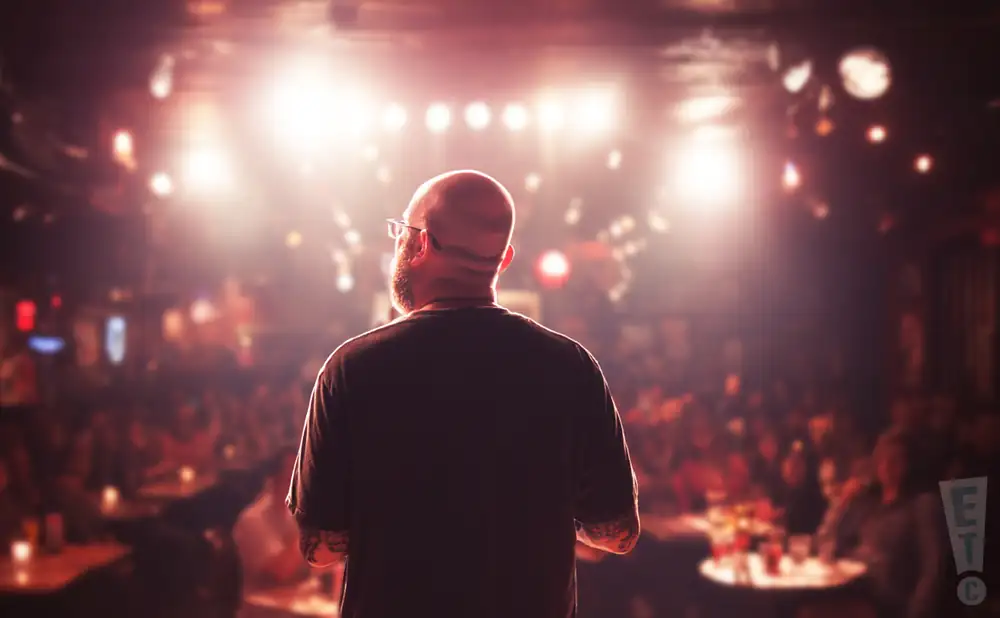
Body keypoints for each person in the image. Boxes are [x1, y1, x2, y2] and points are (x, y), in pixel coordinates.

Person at [287, 170, 639, 618]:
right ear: (504, 257)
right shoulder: (571, 367)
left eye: (403, 231)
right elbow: (617, 535)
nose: (399, 242)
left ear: (423, 243)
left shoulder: (352, 369)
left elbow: (319, 549)